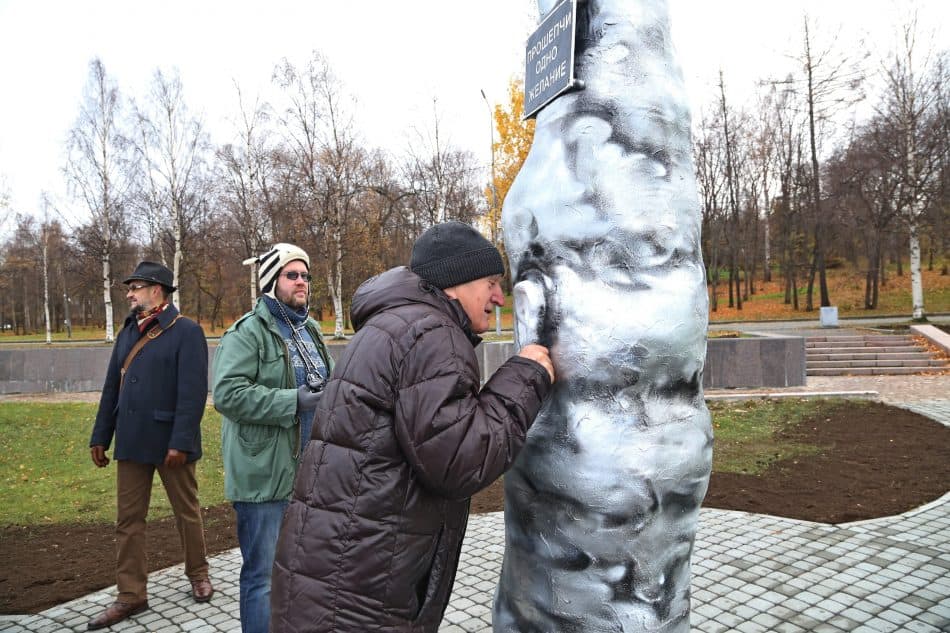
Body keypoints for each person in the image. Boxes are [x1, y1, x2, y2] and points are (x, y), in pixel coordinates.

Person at [269, 221, 556, 633]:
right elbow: (459, 460)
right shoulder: (432, 334)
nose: (499, 296)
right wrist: (526, 377)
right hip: (359, 596)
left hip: (333, 576)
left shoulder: (396, 325)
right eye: (491, 282)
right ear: (456, 283)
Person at [212, 243, 334, 633]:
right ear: (271, 282)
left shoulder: (310, 329)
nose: (302, 282)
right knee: (262, 577)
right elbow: (227, 394)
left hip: (309, 476)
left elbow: (333, 383)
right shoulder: (247, 333)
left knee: (302, 574)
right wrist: (292, 400)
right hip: (264, 478)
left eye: (305, 276)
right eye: (291, 275)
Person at [87, 261, 212, 631]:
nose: (129, 293)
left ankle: (199, 574)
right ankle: (131, 595)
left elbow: (192, 393)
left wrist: (181, 441)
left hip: (171, 444)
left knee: (186, 512)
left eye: (135, 287)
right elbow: (113, 385)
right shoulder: (128, 330)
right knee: (128, 520)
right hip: (130, 440)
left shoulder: (186, 331)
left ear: (157, 289)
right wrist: (100, 434)